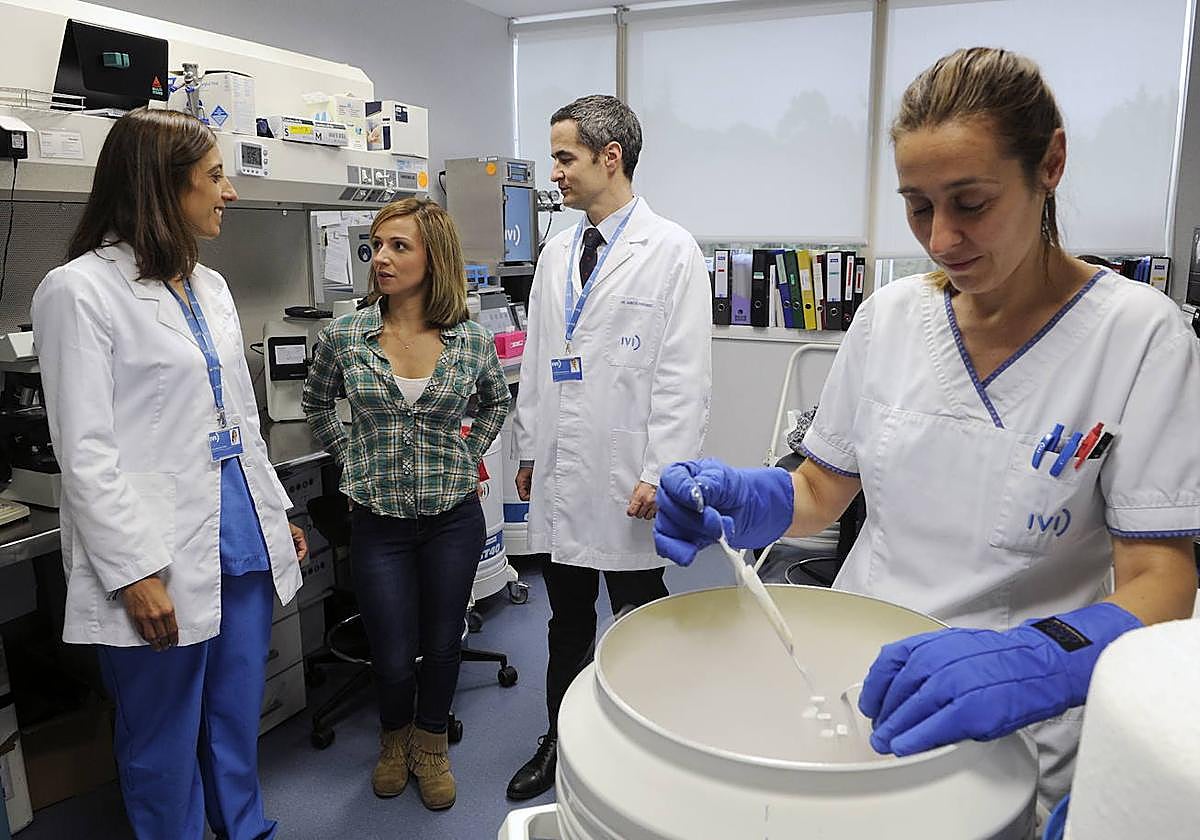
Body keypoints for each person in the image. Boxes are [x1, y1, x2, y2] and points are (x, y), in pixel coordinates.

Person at [653, 47, 1200, 814]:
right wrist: (750, 497)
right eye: (917, 205)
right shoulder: (891, 317)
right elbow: (822, 489)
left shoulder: (1142, 337)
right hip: (853, 679)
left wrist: (1044, 658)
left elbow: (1164, 578)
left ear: (1051, 164)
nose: (940, 239)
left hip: (1018, 716)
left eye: (970, 202)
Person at [31, 108, 308, 840]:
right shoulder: (78, 291)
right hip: (156, 549)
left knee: (232, 714)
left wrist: (276, 514)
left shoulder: (209, 286)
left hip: (238, 533)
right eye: (215, 176)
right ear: (163, 186)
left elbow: (239, 420)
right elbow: (84, 450)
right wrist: (133, 572)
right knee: (161, 739)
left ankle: (244, 828)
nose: (230, 192)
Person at [506, 94, 713, 801]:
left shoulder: (673, 250)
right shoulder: (559, 249)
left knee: (639, 617)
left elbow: (685, 375)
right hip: (565, 468)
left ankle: (650, 740)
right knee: (564, 619)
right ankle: (560, 740)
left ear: (609, 157)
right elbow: (540, 357)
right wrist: (530, 450)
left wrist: (663, 471)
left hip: (631, 475)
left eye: (564, 157)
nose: (555, 173)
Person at [302, 198, 510, 810]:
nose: (382, 258)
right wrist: (351, 453)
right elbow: (317, 406)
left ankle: (430, 744)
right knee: (391, 651)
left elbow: (495, 404)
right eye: (377, 245)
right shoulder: (347, 336)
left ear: (434, 257)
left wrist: (466, 451)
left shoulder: (469, 341)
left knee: (444, 642)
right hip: (379, 520)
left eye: (400, 246)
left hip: (452, 518)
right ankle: (394, 740)